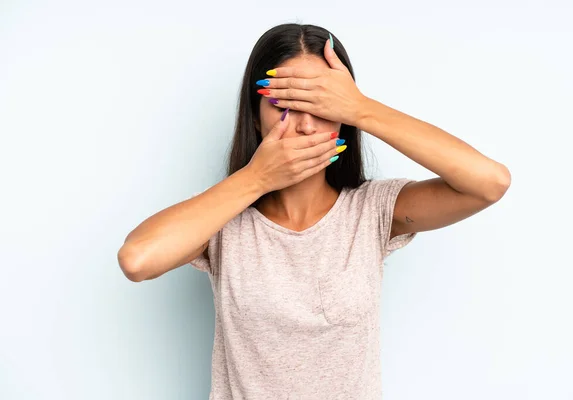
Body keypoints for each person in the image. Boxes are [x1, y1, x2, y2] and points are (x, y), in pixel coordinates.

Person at [117, 23, 511, 400]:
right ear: (255, 116)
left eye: (323, 107)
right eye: (284, 105)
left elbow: (489, 182)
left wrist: (362, 108)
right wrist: (255, 178)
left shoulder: (371, 210)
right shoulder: (222, 218)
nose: (305, 126)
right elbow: (137, 259)